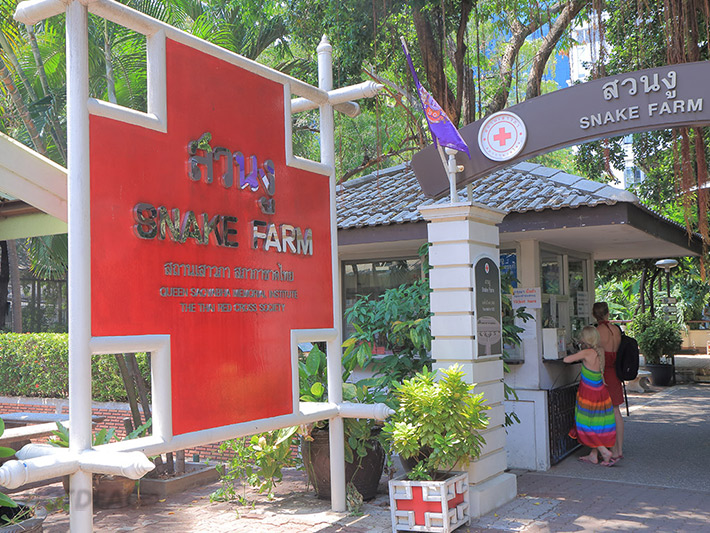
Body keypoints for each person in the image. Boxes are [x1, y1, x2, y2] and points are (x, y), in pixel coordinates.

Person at [564, 326, 618, 466]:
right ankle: (593, 455)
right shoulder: (600, 351)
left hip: (588, 394)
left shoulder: (586, 352)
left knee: (583, 424)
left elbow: (566, 360)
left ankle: (604, 451)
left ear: (585, 338)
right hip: (601, 392)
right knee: (596, 423)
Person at [592, 301, 624, 461]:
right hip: (615, 372)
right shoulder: (616, 329)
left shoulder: (597, 332)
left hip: (603, 373)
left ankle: (604, 448)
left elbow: (594, 354)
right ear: (608, 313)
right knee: (616, 410)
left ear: (594, 315)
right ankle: (619, 449)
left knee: (601, 412)